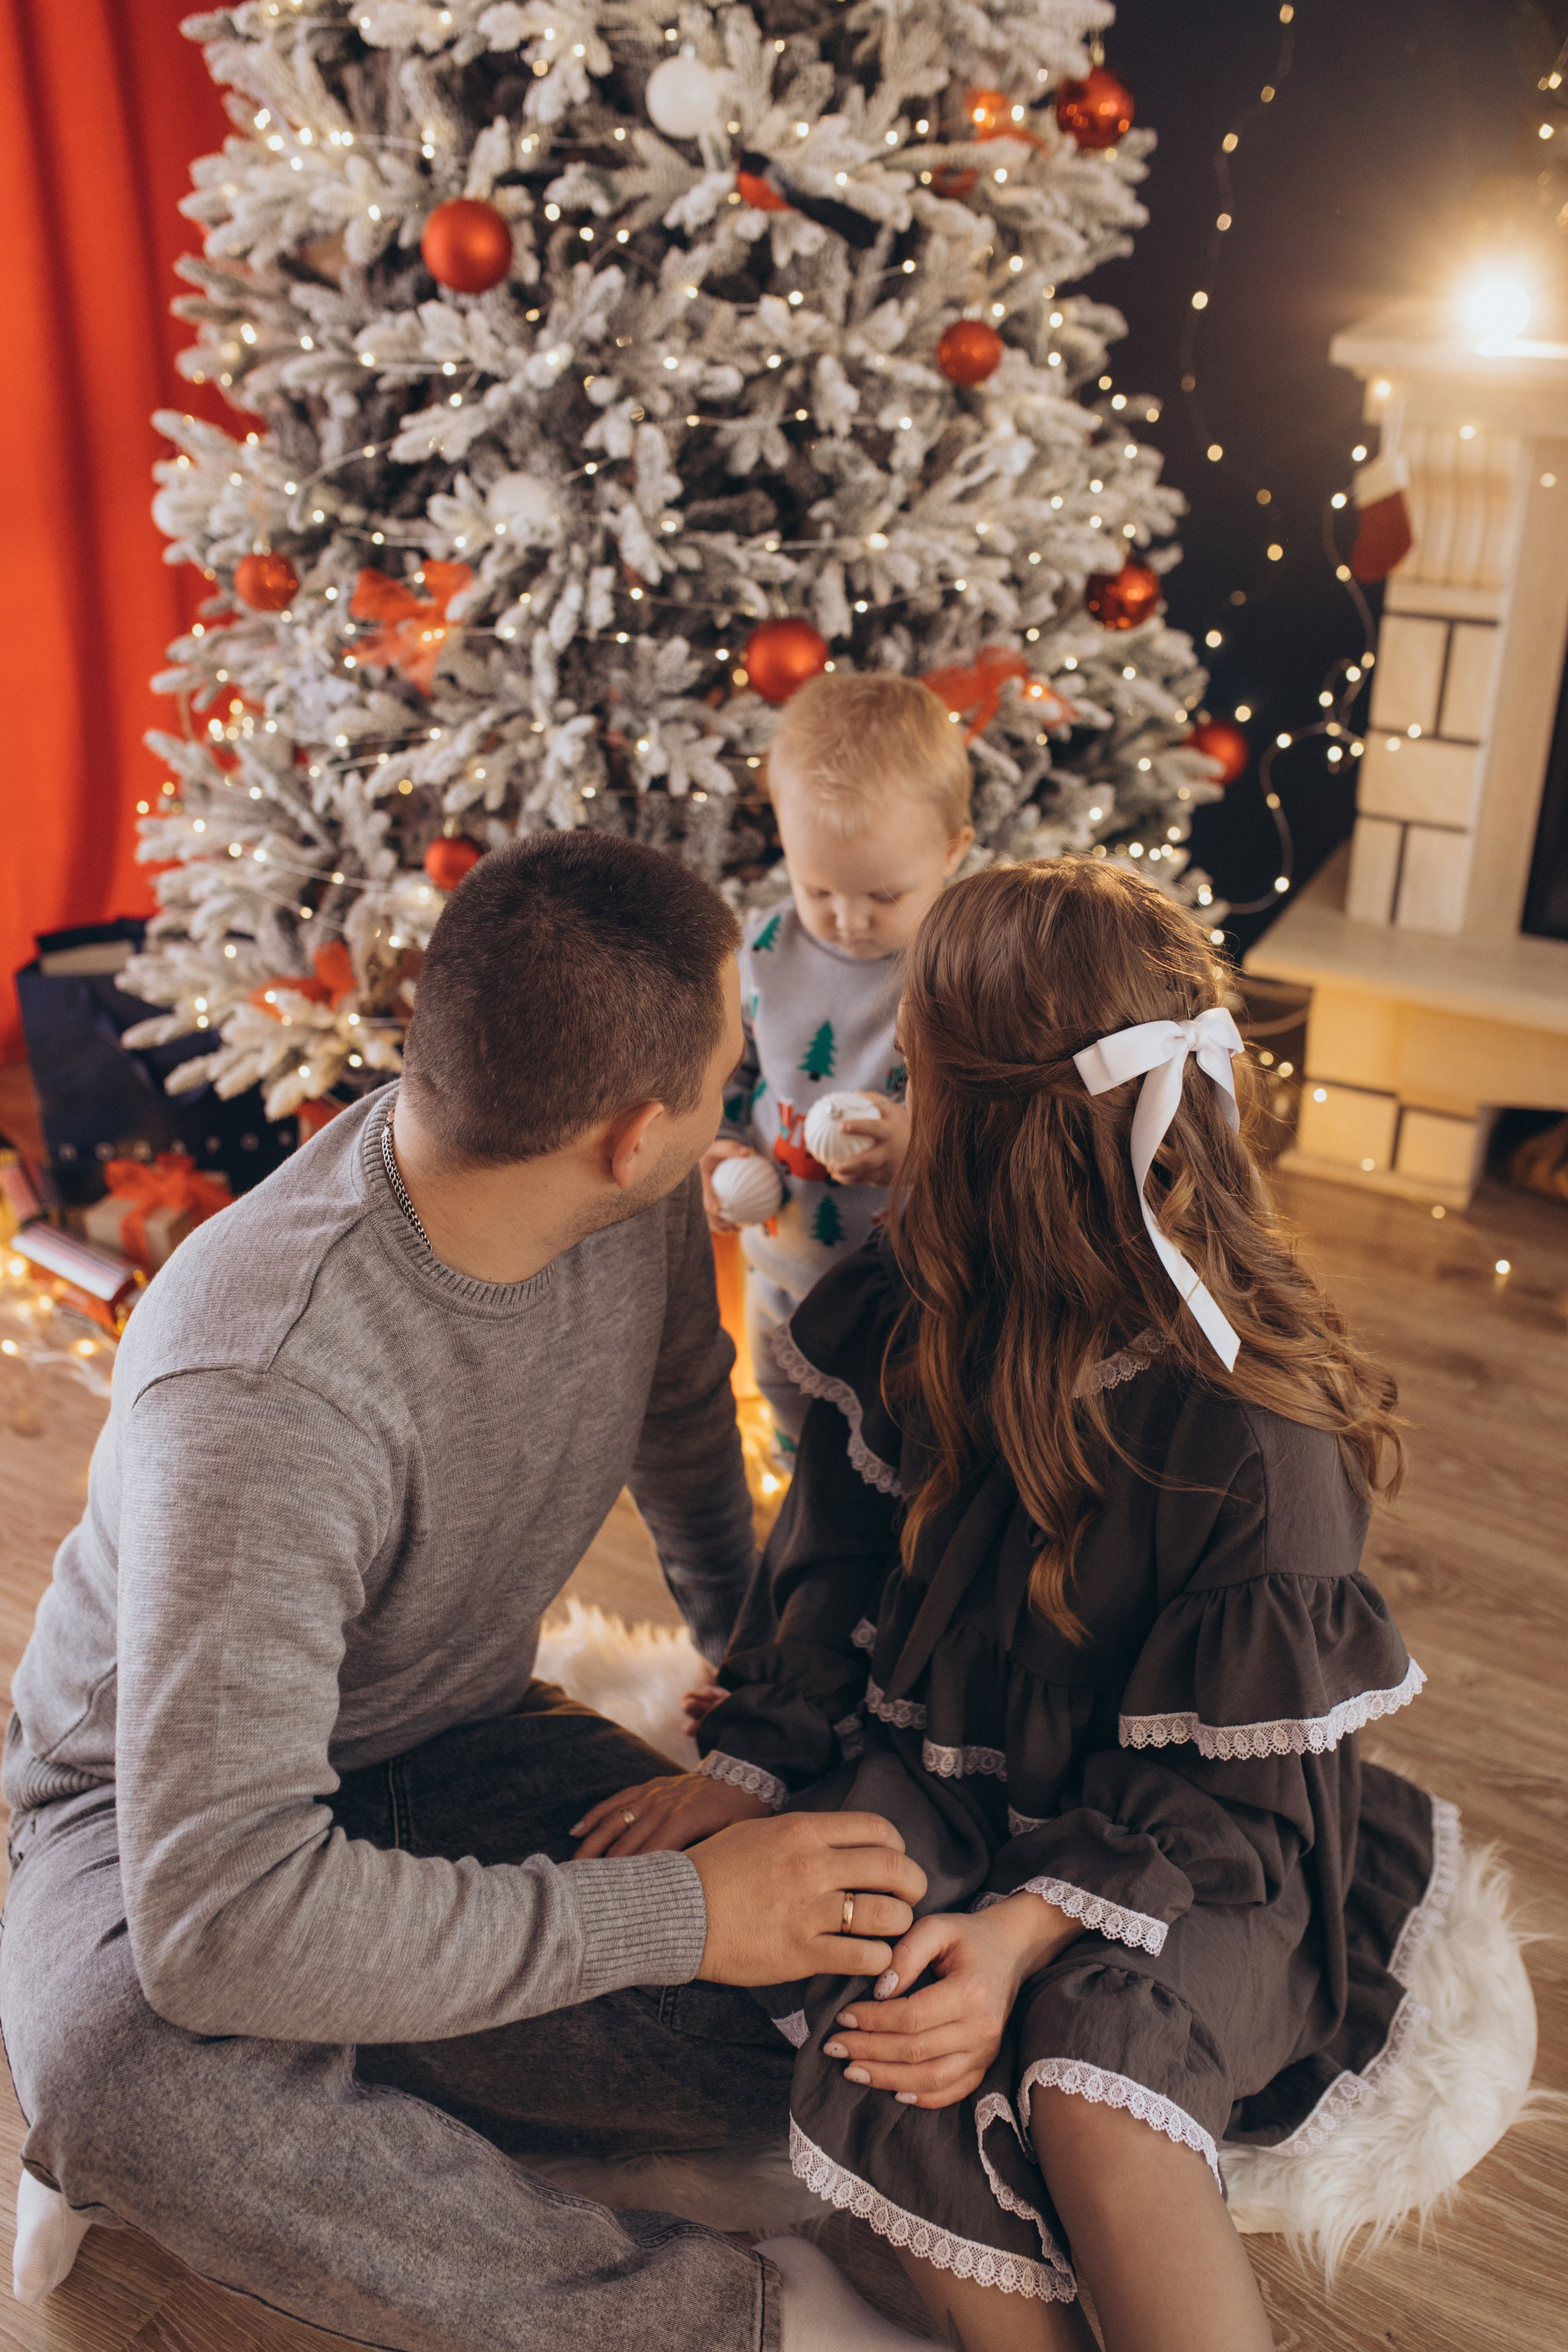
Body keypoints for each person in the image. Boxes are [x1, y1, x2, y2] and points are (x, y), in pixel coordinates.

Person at [0, 831, 931, 2352]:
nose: (740, 1107)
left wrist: (759, 1734)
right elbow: (219, 1920)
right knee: (127, 2081)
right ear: (632, 1134)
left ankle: (327, 2098)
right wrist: (681, 1916)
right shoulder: (262, 1385)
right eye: (724, 1076)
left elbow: (683, 1433)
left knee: (863, 1993)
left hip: (455, 1741)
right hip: (150, 1831)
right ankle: (751, 2320)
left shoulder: (615, 1199)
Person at [578, 858, 1458, 2352]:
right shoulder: (908, 1305)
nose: (887, 1105)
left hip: (1188, 1841)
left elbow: (1230, 1804)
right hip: (952, 1777)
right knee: (891, 2018)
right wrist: (752, 1765)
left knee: (1089, 2072)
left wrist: (1022, 1935)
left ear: (994, 1125)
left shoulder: (1246, 1435)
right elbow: (829, 1574)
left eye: (913, 1074)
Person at [701, 671, 974, 1460]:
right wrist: (718, 1146)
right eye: (817, 889)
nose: (849, 920)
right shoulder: (761, 951)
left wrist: (919, 1142)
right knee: (788, 1399)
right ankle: (803, 1493)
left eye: (883, 895)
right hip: (782, 1260)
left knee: (904, 1429)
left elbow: (999, 1105)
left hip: (913, 1282)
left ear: (953, 850)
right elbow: (728, 1072)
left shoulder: (961, 967)